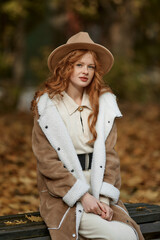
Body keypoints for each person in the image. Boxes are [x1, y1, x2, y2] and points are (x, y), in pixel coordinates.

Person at [31, 32, 144, 240]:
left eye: (90, 66)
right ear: (66, 67)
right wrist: (83, 196)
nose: (85, 71)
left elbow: (110, 157)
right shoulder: (47, 107)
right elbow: (48, 163)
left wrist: (104, 199)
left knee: (129, 233)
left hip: (99, 189)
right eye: (79, 65)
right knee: (123, 237)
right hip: (65, 196)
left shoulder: (104, 105)